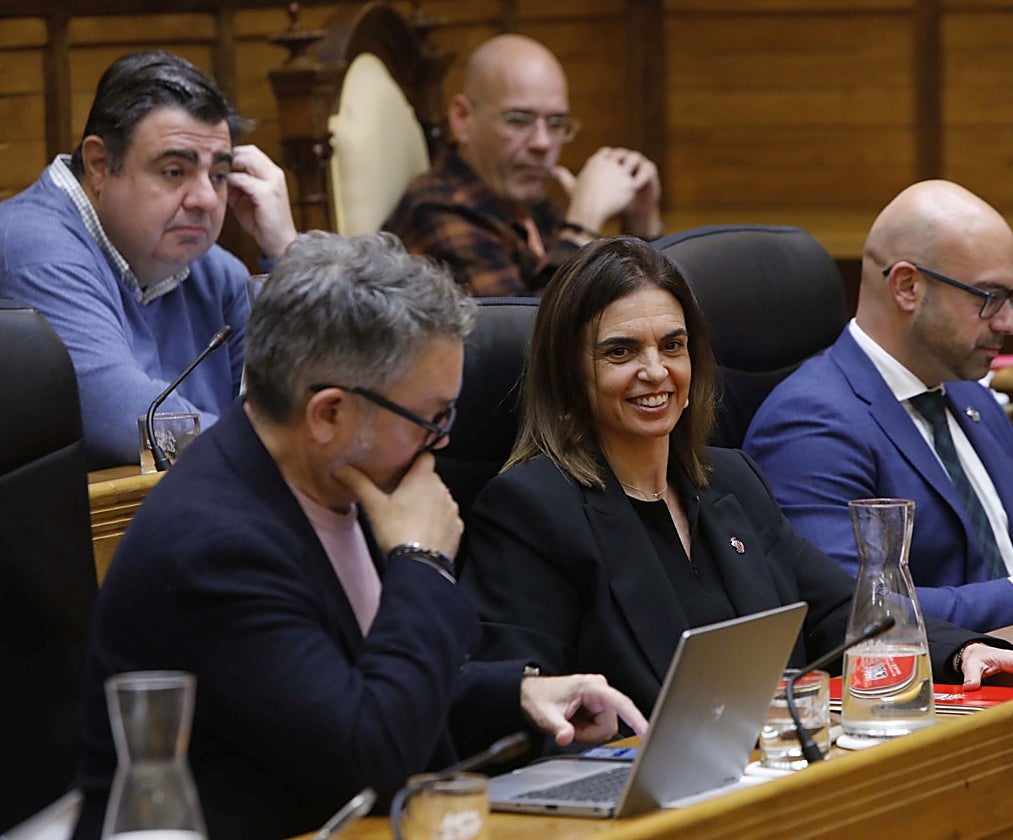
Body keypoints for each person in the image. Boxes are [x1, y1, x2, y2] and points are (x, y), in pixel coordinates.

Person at [71, 231, 647, 840]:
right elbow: (369, 758)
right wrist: (421, 560)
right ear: (329, 414)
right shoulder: (214, 547)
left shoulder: (341, 479)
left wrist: (516, 695)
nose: (443, 441)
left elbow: (364, 681)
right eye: (431, 417)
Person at [458, 235, 1013, 721]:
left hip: (780, 770)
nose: (655, 371)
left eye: (673, 345)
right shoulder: (530, 509)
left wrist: (963, 649)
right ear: (569, 373)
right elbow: (528, 702)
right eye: (620, 352)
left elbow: (838, 610)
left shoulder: (731, 480)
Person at [744, 180, 1013, 633]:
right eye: (989, 298)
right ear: (907, 286)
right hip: (930, 690)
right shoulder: (811, 423)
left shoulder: (971, 396)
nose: (1010, 322)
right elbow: (853, 607)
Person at [0, 50, 298, 469]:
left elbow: (312, 405)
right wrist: (288, 458)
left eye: (218, 176)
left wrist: (287, 253)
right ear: (100, 164)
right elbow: (130, 421)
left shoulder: (214, 271)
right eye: (175, 171)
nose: (206, 200)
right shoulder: (31, 251)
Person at [386, 33, 663, 296]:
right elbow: (524, 339)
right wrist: (583, 222)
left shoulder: (533, 206)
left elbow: (639, 310)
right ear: (462, 119)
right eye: (518, 120)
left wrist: (642, 221)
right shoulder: (437, 206)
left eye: (556, 123)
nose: (542, 143)